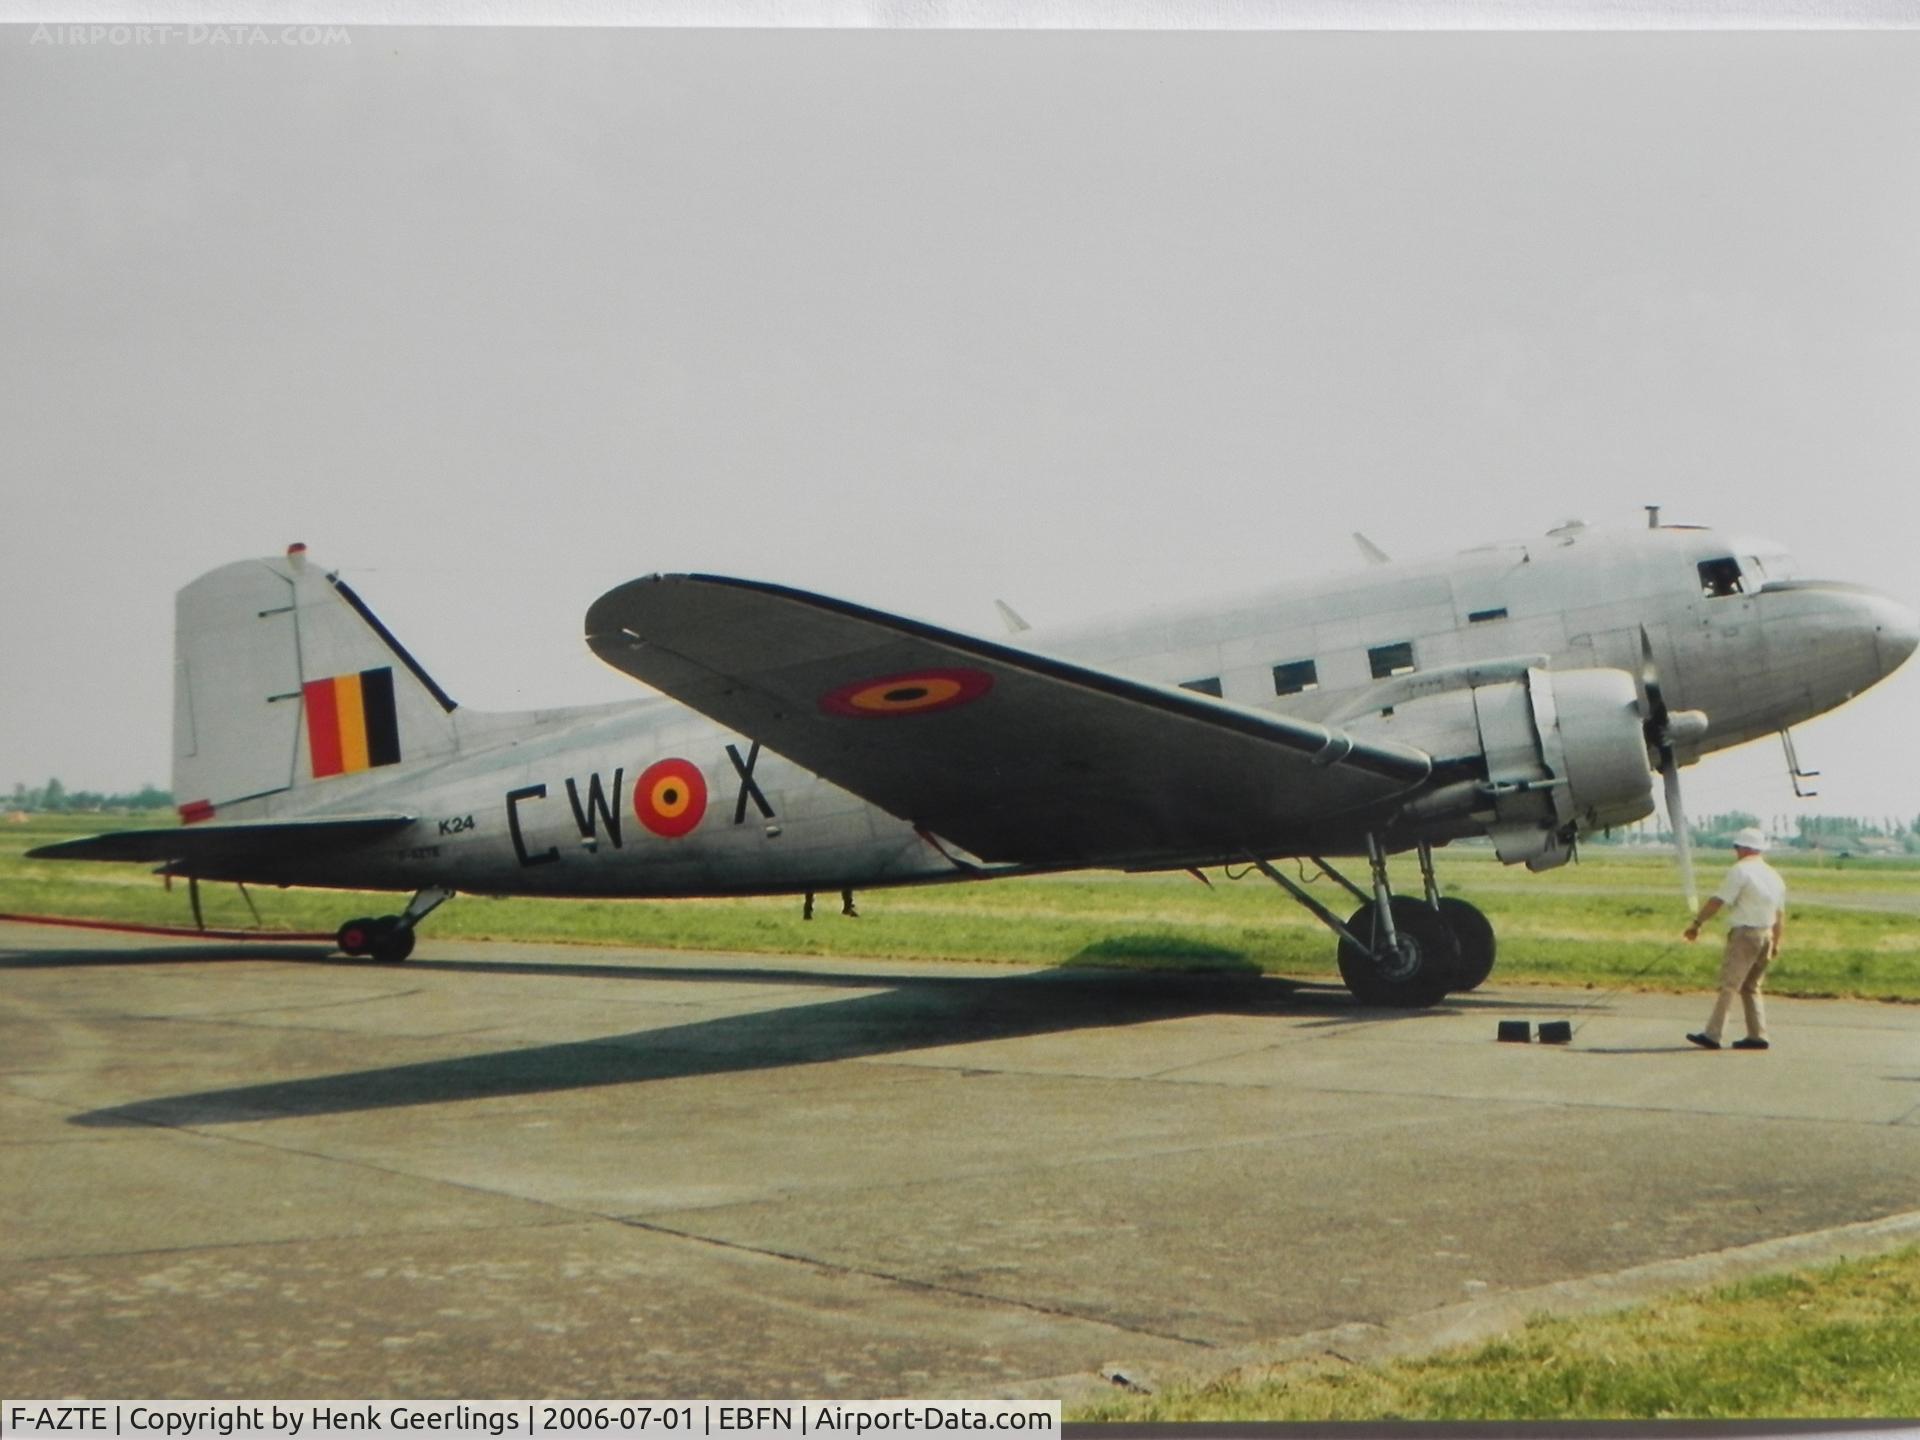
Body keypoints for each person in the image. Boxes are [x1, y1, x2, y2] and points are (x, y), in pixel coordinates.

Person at [1682, 827, 1787, 1051]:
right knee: (1751, 986)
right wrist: (1776, 942)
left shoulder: (1740, 871)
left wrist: (1697, 923)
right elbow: (1779, 914)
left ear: (1743, 848)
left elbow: (1719, 900)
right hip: (1767, 933)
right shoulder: (1774, 875)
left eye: (1737, 847)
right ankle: (1757, 1035)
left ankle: (1713, 1034)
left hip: (1746, 934)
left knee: (1730, 985)